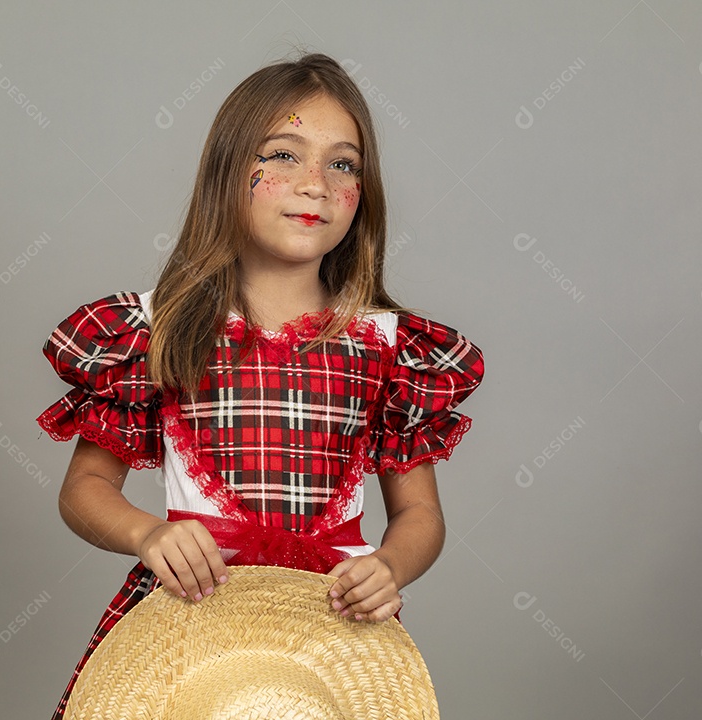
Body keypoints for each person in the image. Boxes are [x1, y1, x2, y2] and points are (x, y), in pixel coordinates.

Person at [35, 51, 484, 719]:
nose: (317, 184)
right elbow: (85, 490)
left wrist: (389, 567)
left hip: (332, 630)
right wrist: (147, 536)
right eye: (282, 155)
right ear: (226, 173)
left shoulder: (391, 349)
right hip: (192, 619)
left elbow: (420, 515)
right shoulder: (158, 331)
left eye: (343, 163)